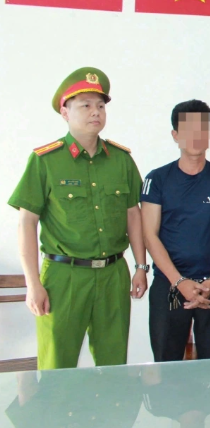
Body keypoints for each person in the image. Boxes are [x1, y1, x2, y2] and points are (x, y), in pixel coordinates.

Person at [8, 67, 147, 370]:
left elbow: (133, 215)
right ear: (64, 112)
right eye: (85, 105)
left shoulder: (121, 160)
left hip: (113, 275)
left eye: (100, 106)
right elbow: (27, 222)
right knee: (57, 366)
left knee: (113, 364)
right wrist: (33, 283)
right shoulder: (45, 160)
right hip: (64, 277)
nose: (95, 112)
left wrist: (140, 266)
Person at [141, 100, 210, 362]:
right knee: (167, 364)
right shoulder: (157, 179)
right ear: (175, 135)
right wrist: (179, 282)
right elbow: (149, 235)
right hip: (169, 285)